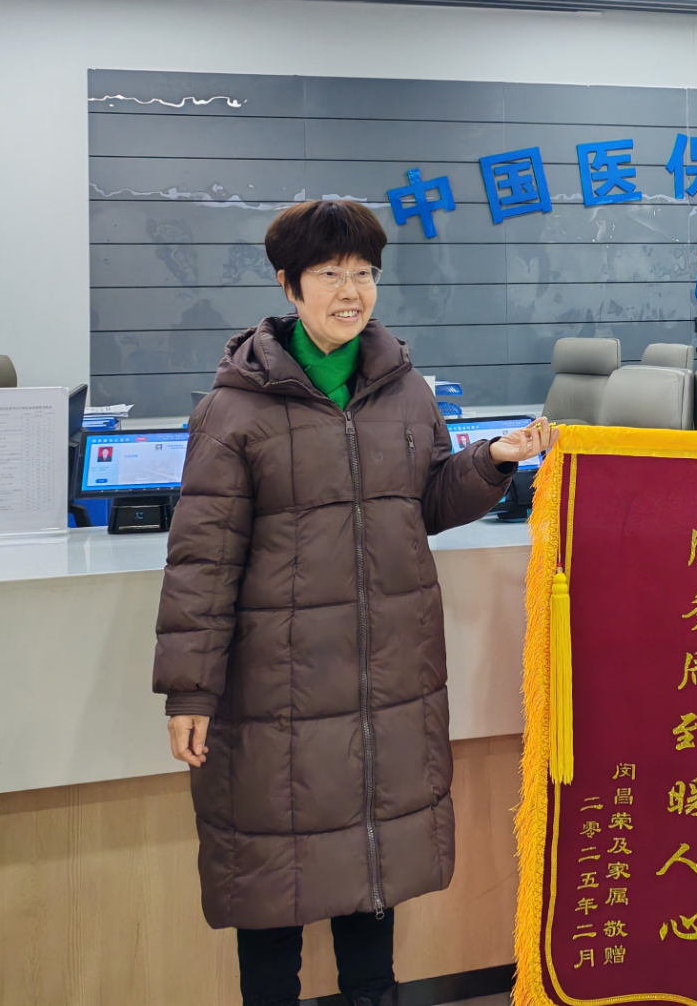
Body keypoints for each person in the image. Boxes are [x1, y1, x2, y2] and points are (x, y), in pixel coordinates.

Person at [153, 200, 557, 1006]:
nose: (352, 291)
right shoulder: (234, 408)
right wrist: (189, 691)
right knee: (270, 892)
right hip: (277, 694)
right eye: (331, 274)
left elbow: (426, 502)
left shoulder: (405, 392)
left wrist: (491, 461)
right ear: (288, 285)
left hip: (386, 683)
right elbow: (202, 560)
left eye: (365, 274)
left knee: (374, 878)